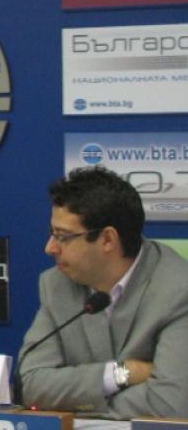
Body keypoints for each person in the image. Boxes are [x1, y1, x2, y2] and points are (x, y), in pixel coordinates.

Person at [18, 166, 188, 418]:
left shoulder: (179, 291)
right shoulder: (57, 284)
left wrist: (75, 407)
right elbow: (32, 385)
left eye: (63, 236)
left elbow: (169, 404)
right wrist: (122, 373)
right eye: (52, 233)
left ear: (108, 239)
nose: (50, 248)